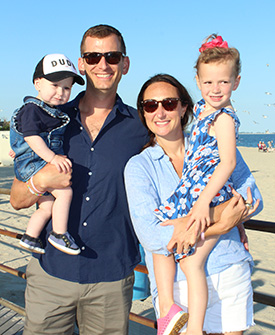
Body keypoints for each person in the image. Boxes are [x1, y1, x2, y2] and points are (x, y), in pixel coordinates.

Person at [9, 25, 149, 335]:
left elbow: (179, 171)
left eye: (111, 56)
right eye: (93, 56)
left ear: (125, 64)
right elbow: (17, 200)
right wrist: (42, 179)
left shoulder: (142, 126)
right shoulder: (49, 119)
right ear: (81, 63)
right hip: (51, 274)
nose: (103, 64)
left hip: (111, 277)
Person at [124, 73, 262, 335]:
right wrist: (221, 222)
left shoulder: (214, 143)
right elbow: (152, 236)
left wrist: (185, 222)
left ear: (184, 106)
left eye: (169, 103)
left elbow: (253, 199)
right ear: (143, 112)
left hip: (228, 268)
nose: (160, 112)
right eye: (150, 105)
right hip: (175, 287)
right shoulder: (139, 166)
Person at [150, 35, 242, 335]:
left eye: (224, 83)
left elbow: (228, 164)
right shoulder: (202, 110)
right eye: (209, 83)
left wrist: (203, 203)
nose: (216, 89)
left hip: (207, 193)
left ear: (236, 82)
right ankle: (168, 308)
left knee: (191, 264)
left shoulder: (224, 119)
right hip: (193, 189)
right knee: (164, 230)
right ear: (198, 82)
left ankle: (194, 329)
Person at [10, 54, 84, 255]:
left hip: (32, 161)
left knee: (47, 205)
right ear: (37, 83)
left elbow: (23, 136)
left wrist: (17, 149)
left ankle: (30, 236)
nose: (60, 92)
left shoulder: (51, 111)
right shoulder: (33, 109)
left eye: (67, 88)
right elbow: (32, 137)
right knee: (65, 192)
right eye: (55, 85)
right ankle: (59, 233)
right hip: (37, 164)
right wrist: (52, 158)